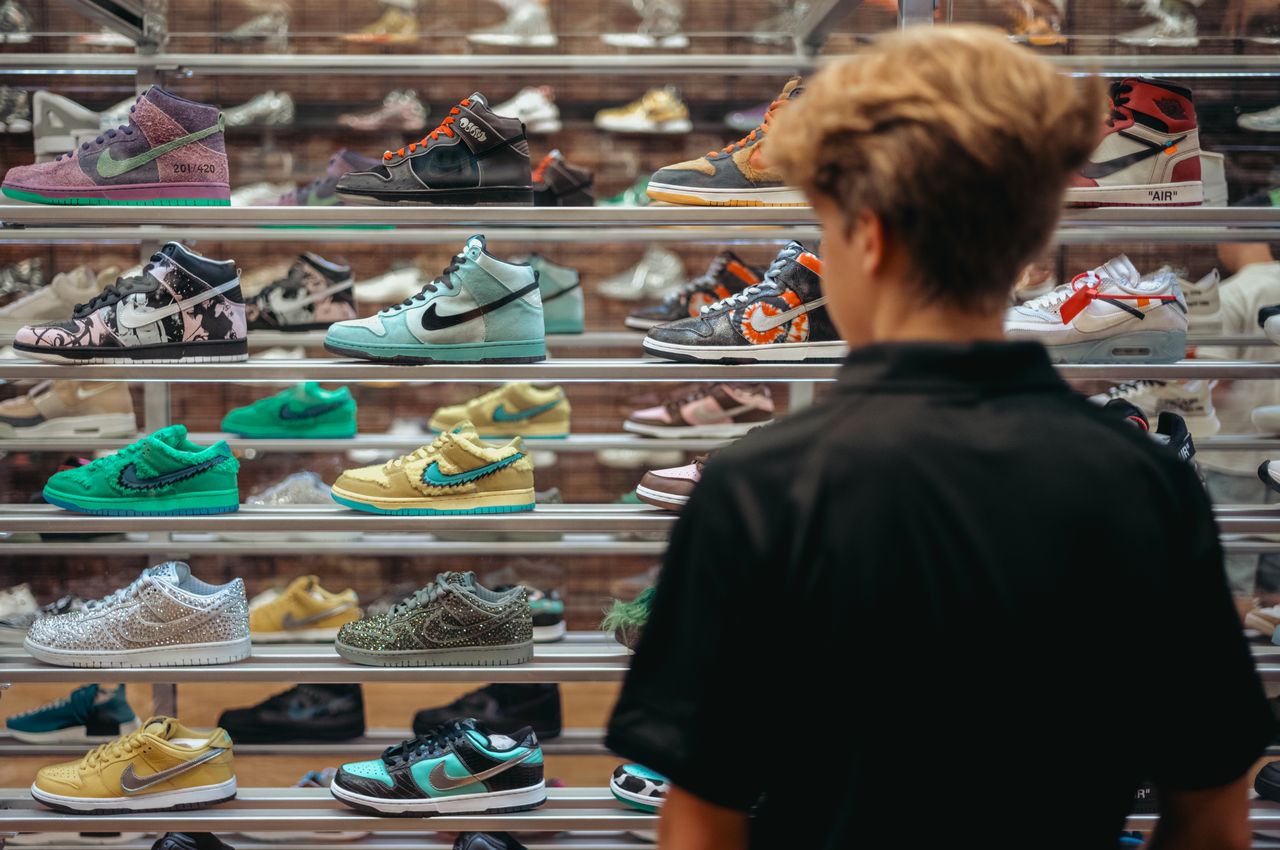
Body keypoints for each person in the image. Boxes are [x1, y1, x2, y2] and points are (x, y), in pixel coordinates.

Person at [605, 25, 1272, 850]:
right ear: (1032, 246)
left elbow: (701, 822)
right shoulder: (1147, 483)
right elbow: (1211, 818)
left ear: (870, 236)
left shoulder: (758, 489)